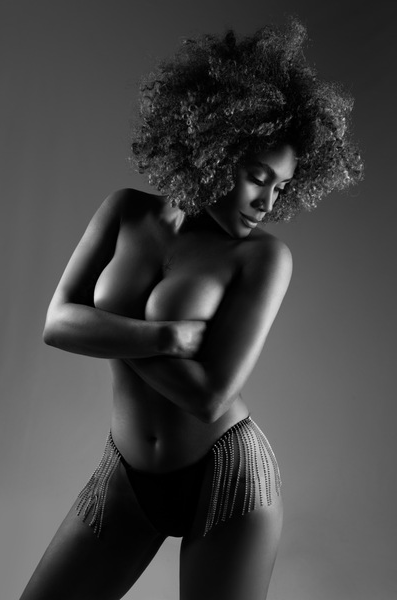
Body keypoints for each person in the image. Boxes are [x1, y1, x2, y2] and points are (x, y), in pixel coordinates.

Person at [20, 18, 363, 600]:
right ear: (216, 150)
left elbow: (208, 396)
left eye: (281, 187)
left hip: (227, 479)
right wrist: (164, 338)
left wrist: (101, 330)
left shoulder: (262, 257)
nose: (267, 201)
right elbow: (56, 324)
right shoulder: (125, 211)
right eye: (258, 177)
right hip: (126, 475)